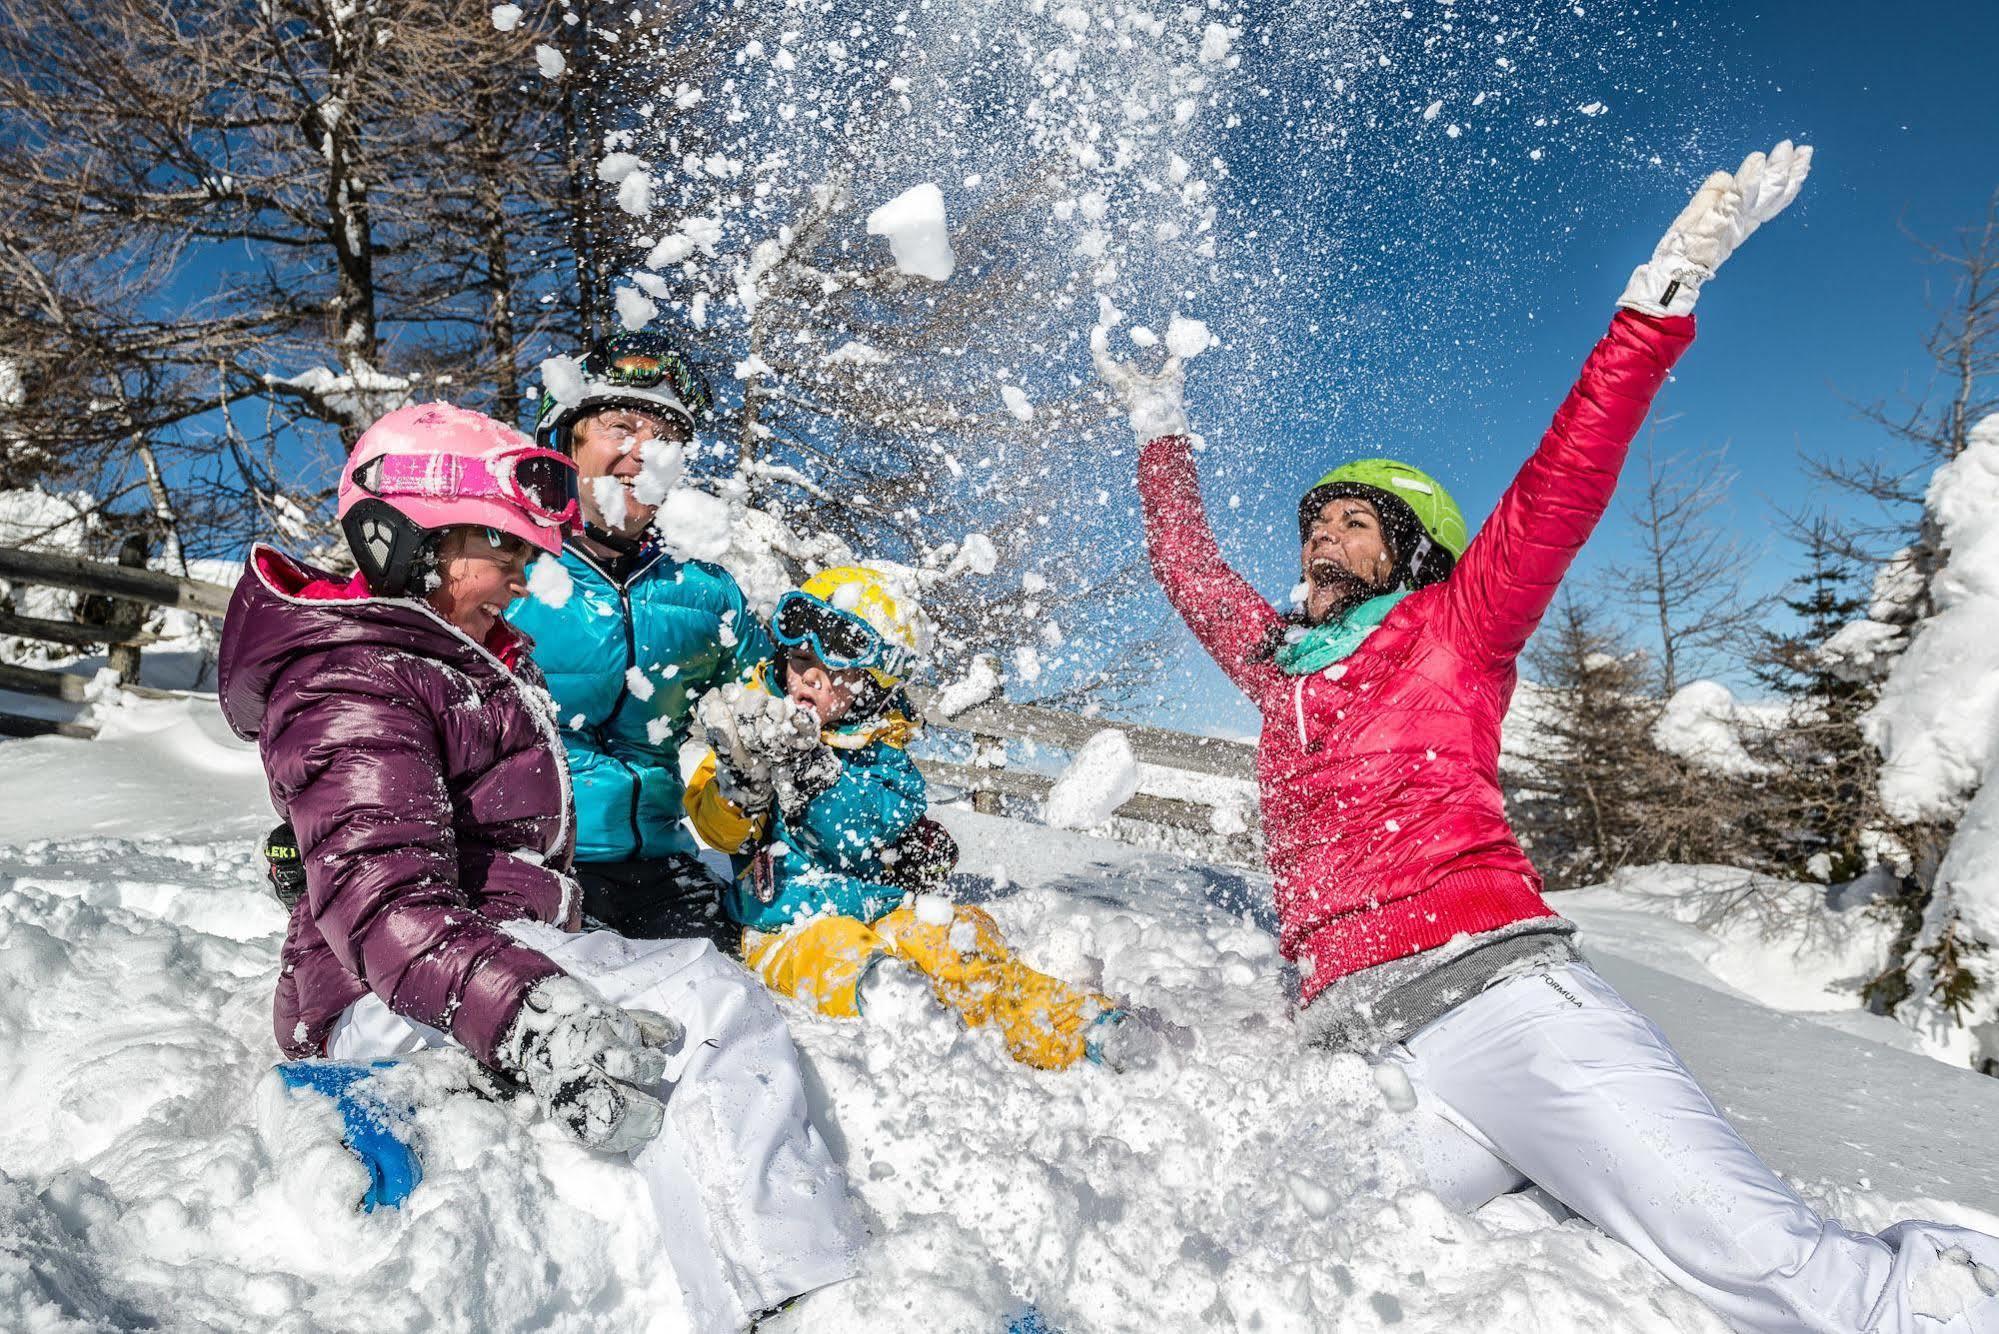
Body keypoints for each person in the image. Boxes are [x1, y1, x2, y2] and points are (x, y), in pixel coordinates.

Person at [1101, 142, 1999, 1333]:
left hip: (1504, 1008)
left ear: (1413, 547)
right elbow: (1188, 570)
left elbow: (1564, 477)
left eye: (1353, 520)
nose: (1320, 534)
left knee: (1790, 1277)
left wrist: (1659, 295)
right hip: (1361, 1049)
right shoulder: (1278, 672)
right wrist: (1160, 426)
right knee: (1276, 1267)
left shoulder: (1454, 627)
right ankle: (1550, 1175)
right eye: (1313, 519)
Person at [218, 401, 859, 1332]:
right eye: (504, 552)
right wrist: (530, 1016)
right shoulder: (358, 676)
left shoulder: (437, 662)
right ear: (404, 536)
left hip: (448, 970)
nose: (521, 581)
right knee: (704, 1001)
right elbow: (382, 898)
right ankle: (793, 1291)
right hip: (391, 995)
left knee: (672, 986)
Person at [683, 566, 1161, 1072]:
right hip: (782, 925)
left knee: (956, 949)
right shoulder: (749, 730)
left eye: (831, 671)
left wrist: (814, 774)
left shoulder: (885, 762)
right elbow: (716, 829)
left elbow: (859, 831)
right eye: (800, 660)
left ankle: (1076, 1026)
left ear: (871, 687)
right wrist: (739, 790)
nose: (807, 678)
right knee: (837, 953)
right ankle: (897, 1000)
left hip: (882, 910)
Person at [508, 331, 773, 952]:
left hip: (660, 870)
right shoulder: (507, 572)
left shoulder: (707, 594)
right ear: (564, 443)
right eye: (621, 427)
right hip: (530, 867)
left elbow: (771, 723)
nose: (642, 454)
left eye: (665, 440)